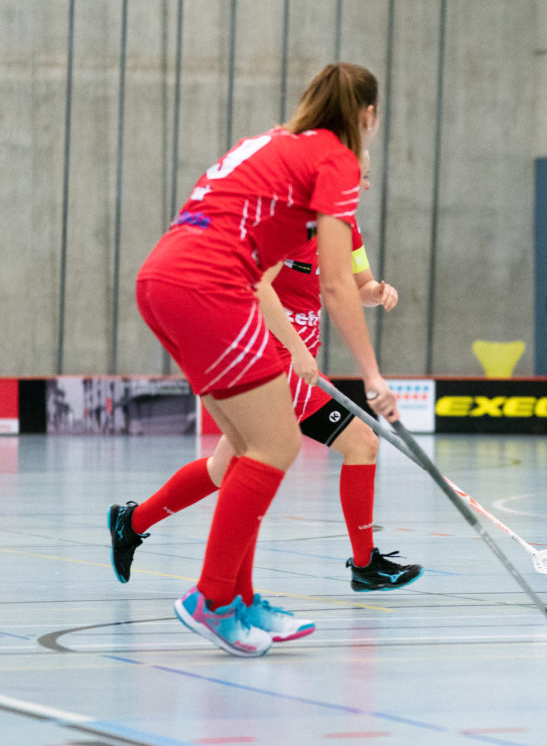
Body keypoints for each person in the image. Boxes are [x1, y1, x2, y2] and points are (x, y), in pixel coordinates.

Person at [133, 62, 398, 656]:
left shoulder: (275, 142)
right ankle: (211, 597)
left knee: (253, 451)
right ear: (368, 116)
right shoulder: (337, 160)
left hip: (164, 277)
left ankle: (239, 600)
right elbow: (336, 284)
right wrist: (373, 375)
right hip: (211, 288)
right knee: (275, 447)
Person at [110, 163, 422, 601]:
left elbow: (359, 285)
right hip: (267, 352)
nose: (368, 185)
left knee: (225, 469)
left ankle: (133, 522)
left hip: (297, 358)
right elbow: (261, 286)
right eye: (362, 176)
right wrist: (295, 350)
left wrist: (377, 292)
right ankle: (361, 565)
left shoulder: (346, 227)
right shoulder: (295, 223)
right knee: (359, 443)